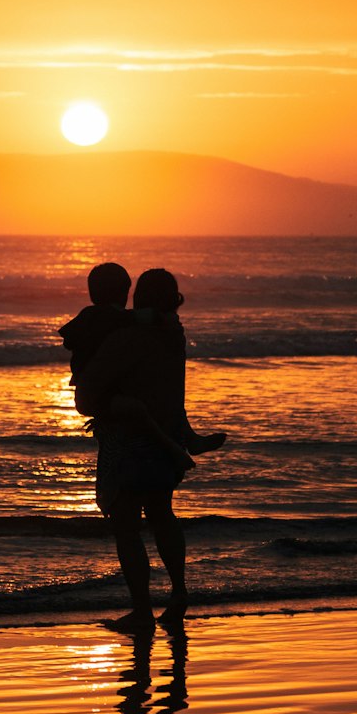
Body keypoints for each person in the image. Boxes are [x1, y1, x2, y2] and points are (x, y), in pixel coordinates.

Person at [75, 268, 199, 633]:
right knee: (163, 515)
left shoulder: (125, 338)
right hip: (165, 436)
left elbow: (89, 392)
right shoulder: (174, 335)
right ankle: (178, 594)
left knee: (127, 527)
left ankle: (142, 611)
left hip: (127, 442)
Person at [60, 262, 225, 464]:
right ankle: (181, 443)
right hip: (148, 445)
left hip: (128, 450)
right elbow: (137, 317)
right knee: (136, 407)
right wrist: (160, 318)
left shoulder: (117, 327)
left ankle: (187, 441)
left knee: (135, 408)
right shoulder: (117, 321)